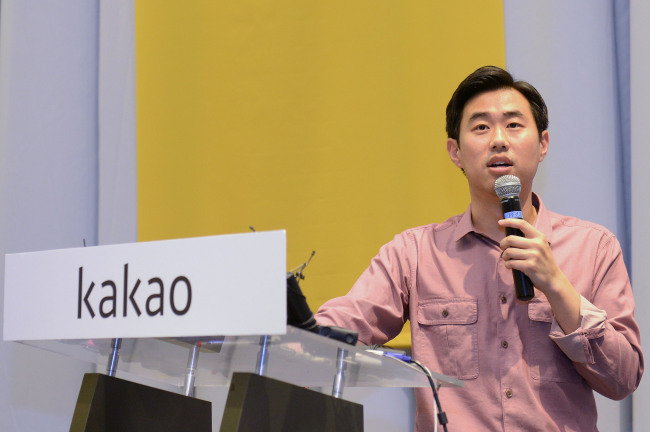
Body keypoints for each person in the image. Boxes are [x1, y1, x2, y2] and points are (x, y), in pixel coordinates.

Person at [315, 65, 644, 431]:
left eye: (514, 125)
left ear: (543, 144)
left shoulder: (594, 247)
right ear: (455, 152)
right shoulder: (414, 253)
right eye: (481, 127)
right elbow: (340, 327)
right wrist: (286, 324)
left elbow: (623, 379)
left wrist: (556, 286)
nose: (499, 140)